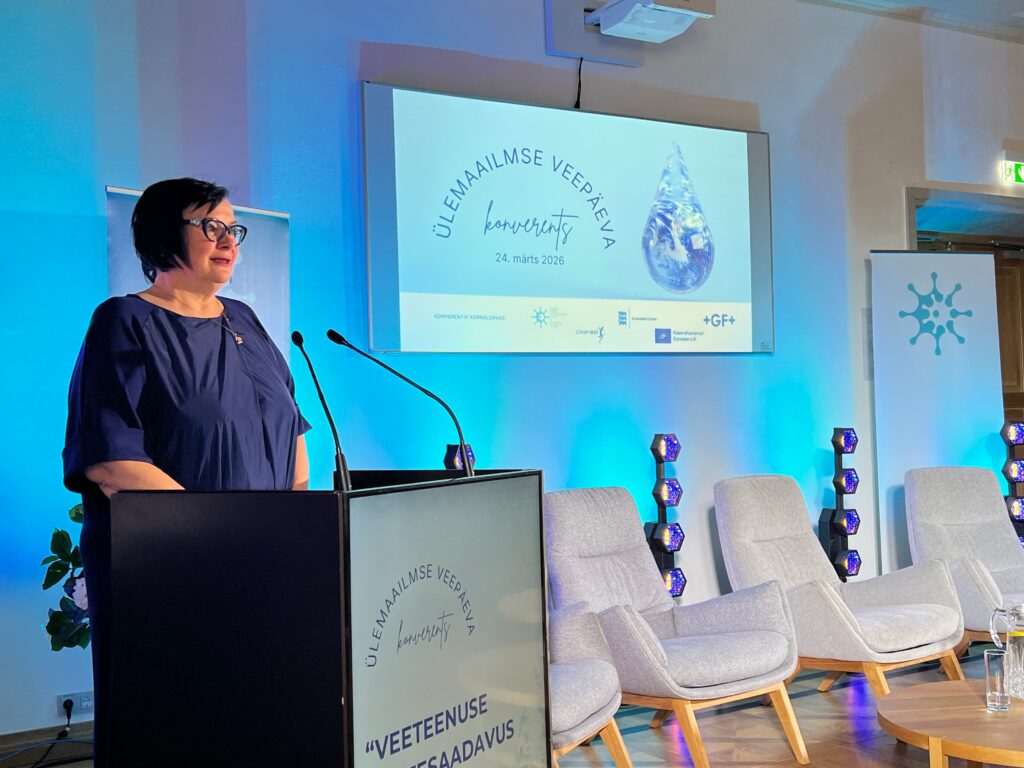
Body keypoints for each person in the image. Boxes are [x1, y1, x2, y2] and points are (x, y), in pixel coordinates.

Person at [62, 177, 310, 766]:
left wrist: (297, 522)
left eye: (233, 229)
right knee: (174, 725)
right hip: (170, 566)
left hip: (262, 561)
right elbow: (112, 460)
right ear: (164, 233)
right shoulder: (124, 321)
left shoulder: (244, 319)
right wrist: (218, 532)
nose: (228, 241)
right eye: (211, 226)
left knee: (260, 716)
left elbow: (291, 427)